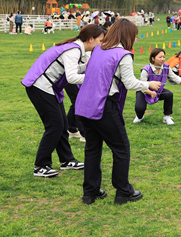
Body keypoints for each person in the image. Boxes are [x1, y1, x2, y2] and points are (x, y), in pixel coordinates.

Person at [76, 19, 161, 205]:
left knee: (92, 148)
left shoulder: (98, 49)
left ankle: (90, 192)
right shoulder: (123, 55)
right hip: (103, 106)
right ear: (127, 35)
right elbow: (129, 82)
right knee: (121, 148)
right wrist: (148, 84)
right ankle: (123, 191)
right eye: (135, 36)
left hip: (84, 105)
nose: (136, 39)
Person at [22, 24, 105, 178]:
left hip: (48, 88)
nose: (101, 44)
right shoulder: (74, 50)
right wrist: (93, 78)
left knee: (62, 125)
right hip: (39, 87)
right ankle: (41, 165)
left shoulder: (76, 48)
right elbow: (71, 77)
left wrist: (85, 67)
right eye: (100, 41)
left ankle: (67, 160)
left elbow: (70, 70)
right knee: (54, 126)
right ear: (90, 39)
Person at [133, 48, 181, 125]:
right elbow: (142, 86)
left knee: (169, 94)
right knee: (139, 108)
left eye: (163, 57)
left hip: (158, 91)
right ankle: (139, 116)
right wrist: (150, 92)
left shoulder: (166, 67)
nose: (162, 59)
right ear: (153, 58)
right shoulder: (146, 70)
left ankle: (167, 116)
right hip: (144, 91)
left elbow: (174, 77)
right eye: (160, 57)